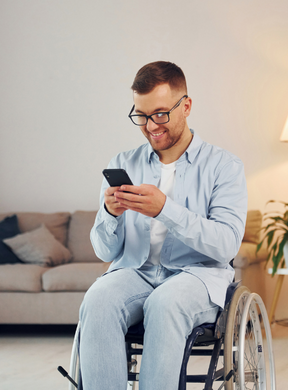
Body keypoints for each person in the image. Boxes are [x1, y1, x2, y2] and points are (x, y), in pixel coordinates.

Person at [79, 61, 247, 390]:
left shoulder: (224, 166)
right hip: (135, 272)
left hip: (197, 276)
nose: (149, 126)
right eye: (140, 116)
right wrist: (109, 214)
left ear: (185, 106)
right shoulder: (122, 163)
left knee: (164, 303)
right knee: (97, 299)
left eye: (159, 114)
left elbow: (227, 245)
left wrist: (165, 210)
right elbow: (104, 252)